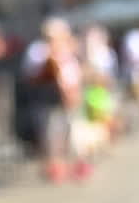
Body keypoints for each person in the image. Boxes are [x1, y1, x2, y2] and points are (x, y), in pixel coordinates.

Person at [27, 18, 91, 182]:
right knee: (51, 135)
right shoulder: (39, 52)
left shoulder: (67, 51)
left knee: (74, 133)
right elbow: (34, 76)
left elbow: (75, 74)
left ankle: (75, 166)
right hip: (49, 100)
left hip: (68, 100)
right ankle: (55, 167)